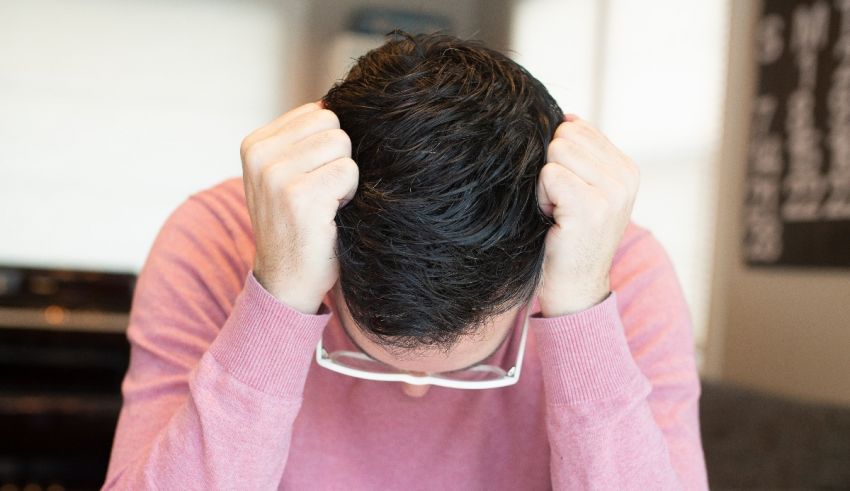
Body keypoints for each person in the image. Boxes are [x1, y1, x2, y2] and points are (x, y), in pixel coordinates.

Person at [103, 32, 708, 490]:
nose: (419, 389)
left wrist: (582, 310)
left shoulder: (621, 268)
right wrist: (278, 295)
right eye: (375, 356)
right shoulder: (216, 237)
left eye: (470, 361)